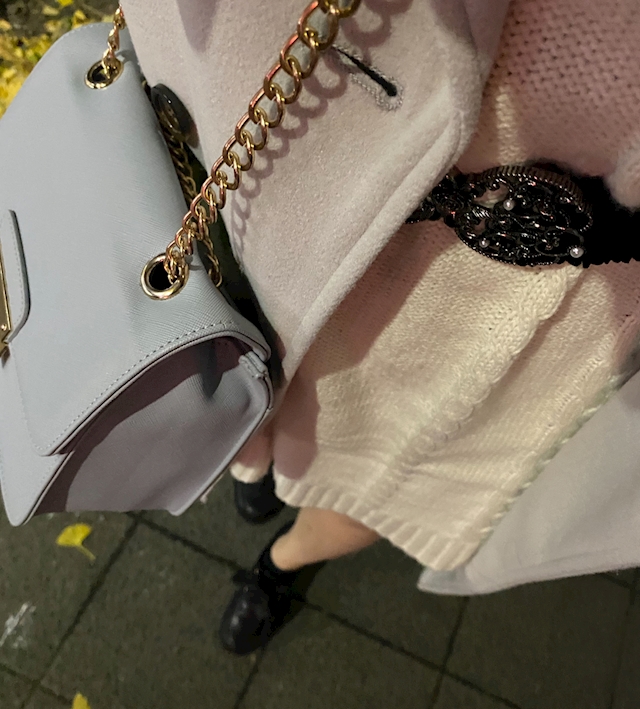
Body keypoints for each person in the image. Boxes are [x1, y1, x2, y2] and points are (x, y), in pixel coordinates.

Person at [124, 0, 640, 654]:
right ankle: (257, 468)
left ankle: (284, 555)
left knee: (375, 468)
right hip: (244, 184)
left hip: (456, 299)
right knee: (236, 379)